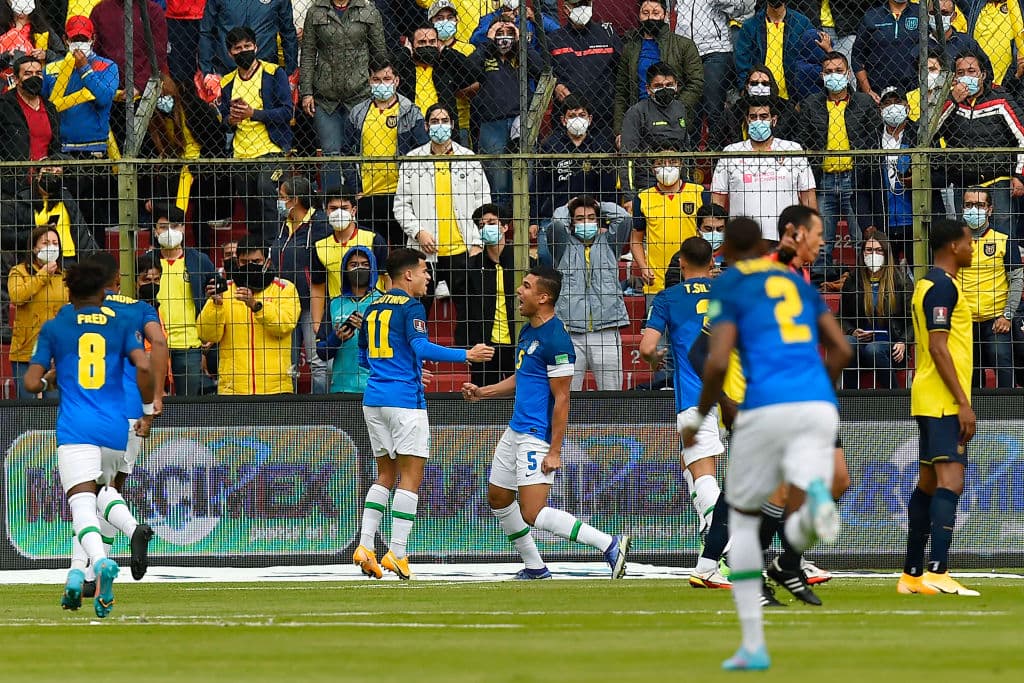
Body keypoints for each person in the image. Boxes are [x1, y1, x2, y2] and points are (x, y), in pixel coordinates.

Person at [682, 213, 851, 670]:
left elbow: (715, 359)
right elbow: (841, 348)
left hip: (780, 400)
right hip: (793, 400)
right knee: (775, 492)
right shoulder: (778, 282)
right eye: (817, 235)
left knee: (818, 485)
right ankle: (763, 566)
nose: (820, 243)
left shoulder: (750, 284)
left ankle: (779, 569)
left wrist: (701, 413)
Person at [462, 265, 631, 580]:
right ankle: (535, 567)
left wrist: (555, 451)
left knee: (532, 512)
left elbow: (563, 398)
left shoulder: (557, 341)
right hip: (516, 429)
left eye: (526, 286)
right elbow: (522, 377)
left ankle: (609, 544)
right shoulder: (528, 331)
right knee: (498, 497)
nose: (519, 291)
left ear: (543, 297)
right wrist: (484, 392)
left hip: (536, 434)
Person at [23, 258, 156, 618]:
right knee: (105, 491)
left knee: (82, 503)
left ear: (69, 293)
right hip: (115, 426)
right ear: (104, 291)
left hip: (76, 426)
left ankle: (98, 563)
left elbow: (32, 383)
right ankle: (118, 540)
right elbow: (145, 365)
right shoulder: (122, 324)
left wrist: (50, 378)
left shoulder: (57, 326)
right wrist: (147, 410)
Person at [352, 248, 494, 580]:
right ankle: (397, 553)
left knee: (384, 475)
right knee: (411, 476)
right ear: (408, 275)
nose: (429, 277)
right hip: (404, 401)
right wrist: (466, 355)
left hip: (374, 399)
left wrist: (407, 368)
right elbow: (420, 347)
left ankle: (365, 546)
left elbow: (363, 357)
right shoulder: (412, 306)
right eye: (424, 271)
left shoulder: (372, 306)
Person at [640, 235, 730, 590]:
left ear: (680, 263)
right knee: (690, 466)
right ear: (712, 262)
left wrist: (653, 360)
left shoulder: (668, 298)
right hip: (736, 395)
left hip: (696, 399)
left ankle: (729, 546)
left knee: (703, 474)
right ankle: (711, 540)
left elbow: (647, 347)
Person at [897, 218, 979, 597]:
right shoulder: (942, 286)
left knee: (929, 483)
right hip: (943, 399)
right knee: (952, 481)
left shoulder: (928, 284)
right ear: (952, 247)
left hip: (928, 395)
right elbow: (937, 346)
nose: (972, 247)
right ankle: (938, 571)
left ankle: (911, 575)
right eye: (968, 241)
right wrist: (963, 401)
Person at [79, 252, 166, 588]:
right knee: (112, 489)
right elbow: (159, 343)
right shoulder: (140, 309)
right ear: (118, 280)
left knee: (88, 492)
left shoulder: (80, 310)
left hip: (95, 410)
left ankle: (129, 533)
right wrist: (156, 398)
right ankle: (95, 574)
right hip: (132, 409)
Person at [393, 103, 490, 347]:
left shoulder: (468, 158)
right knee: (417, 310)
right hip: (424, 253)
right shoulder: (412, 160)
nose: (440, 126)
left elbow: (484, 203)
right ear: (426, 127)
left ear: (453, 125)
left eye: (444, 120)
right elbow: (401, 206)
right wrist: (419, 232)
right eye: (434, 121)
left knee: (470, 313)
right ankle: (414, 355)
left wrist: (477, 242)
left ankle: (470, 359)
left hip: (462, 250)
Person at [795, 51, 879, 279]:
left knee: (861, 238)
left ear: (849, 73)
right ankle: (820, 283)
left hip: (855, 179)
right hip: (824, 179)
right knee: (822, 241)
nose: (834, 75)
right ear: (822, 76)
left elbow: (873, 140)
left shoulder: (864, 103)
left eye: (839, 71)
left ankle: (864, 282)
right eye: (829, 72)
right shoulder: (811, 104)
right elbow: (803, 140)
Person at [300, 0, 388, 193]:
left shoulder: (368, 10)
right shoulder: (315, 11)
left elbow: (379, 53)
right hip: (325, 97)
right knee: (330, 152)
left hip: (360, 94)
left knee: (358, 151)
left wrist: (380, 87)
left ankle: (359, 198)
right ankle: (332, 203)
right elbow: (308, 54)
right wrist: (306, 92)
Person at [936, 49, 1024, 238]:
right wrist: (952, 101)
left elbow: (1022, 135)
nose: (966, 77)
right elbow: (929, 133)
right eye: (960, 73)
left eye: (971, 71)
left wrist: (1019, 175)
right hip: (963, 182)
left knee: (1003, 238)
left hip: (997, 181)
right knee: (965, 240)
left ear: (982, 75)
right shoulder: (949, 101)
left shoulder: (1000, 100)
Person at [197, 237, 301, 395]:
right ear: (237, 263)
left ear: (267, 262)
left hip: (275, 388)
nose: (250, 266)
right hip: (233, 388)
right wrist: (215, 306)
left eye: (256, 261)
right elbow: (207, 335)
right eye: (245, 262)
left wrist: (256, 306)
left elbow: (284, 325)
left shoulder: (285, 288)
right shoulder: (225, 290)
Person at [219, 26, 294, 245]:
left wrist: (254, 114)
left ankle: (273, 244)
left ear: (256, 47)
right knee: (249, 201)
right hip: (241, 152)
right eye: (237, 48)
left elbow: (287, 112)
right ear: (230, 53)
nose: (243, 51)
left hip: (273, 149)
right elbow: (223, 120)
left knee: (265, 188)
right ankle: (257, 246)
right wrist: (231, 120)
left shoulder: (274, 72)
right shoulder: (227, 82)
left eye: (247, 46)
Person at [549, 195, 631, 391]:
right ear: (571, 222)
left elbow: (624, 218)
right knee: (567, 393)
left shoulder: (610, 242)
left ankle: (610, 417)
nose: (586, 222)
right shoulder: (562, 245)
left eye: (591, 217)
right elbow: (557, 224)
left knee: (611, 393)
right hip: (570, 330)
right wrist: (568, 205)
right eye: (579, 218)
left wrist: (599, 205)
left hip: (607, 328)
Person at [711, 97, 817, 243]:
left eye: (763, 116)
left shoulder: (793, 149)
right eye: (753, 117)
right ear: (747, 120)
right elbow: (718, 200)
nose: (758, 121)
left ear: (774, 120)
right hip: (743, 242)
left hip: (784, 240)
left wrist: (811, 234)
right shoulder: (731, 152)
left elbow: (808, 197)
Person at [349, 58, 429, 249]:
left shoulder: (410, 112)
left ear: (396, 81)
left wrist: (412, 187)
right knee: (372, 252)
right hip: (367, 195)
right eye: (376, 80)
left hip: (400, 195)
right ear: (369, 81)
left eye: (386, 79)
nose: (381, 84)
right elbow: (346, 152)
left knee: (403, 252)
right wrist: (355, 187)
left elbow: (423, 151)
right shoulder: (358, 113)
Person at [532, 94, 618, 264]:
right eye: (572, 116)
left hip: (589, 219)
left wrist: (604, 223)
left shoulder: (600, 147)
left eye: (581, 115)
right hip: (553, 217)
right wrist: (533, 221)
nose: (577, 119)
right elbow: (537, 187)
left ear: (590, 119)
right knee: (546, 260)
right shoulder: (550, 146)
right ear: (563, 120)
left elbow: (608, 190)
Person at [144, 202, 216, 396]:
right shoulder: (146, 262)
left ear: (183, 228)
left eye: (175, 226)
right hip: (154, 343)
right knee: (153, 401)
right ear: (155, 231)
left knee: (188, 404)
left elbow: (216, 295)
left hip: (189, 344)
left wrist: (209, 332)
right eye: (163, 227)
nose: (169, 231)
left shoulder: (199, 260)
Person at [468, 15, 542, 204]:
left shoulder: (521, 55)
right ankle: (499, 216)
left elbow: (541, 70)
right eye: (499, 32)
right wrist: (488, 41)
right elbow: (466, 71)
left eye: (509, 32)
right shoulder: (484, 55)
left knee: (524, 177)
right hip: (492, 123)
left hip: (521, 122)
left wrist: (520, 42)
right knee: (497, 180)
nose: (504, 37)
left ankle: (524, 216)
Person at [270, 175, 331, 394]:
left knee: (318, 362)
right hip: (285, 304)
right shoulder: (283, 225)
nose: (278, 201)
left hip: (310, 303)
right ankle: (289, 406)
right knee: (288, 365)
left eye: (282, 197)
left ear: (294, 199)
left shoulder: (320, 224)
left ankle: (321, 408)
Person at [957, 186, 1022, 388]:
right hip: (963, 321)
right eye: (968, 205)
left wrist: (1007, 315)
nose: (973, 210)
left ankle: (1008, 405)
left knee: (1002, 359)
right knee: (968, 372)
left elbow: (1017, 279)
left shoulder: (1003, 239)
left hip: (996, 320)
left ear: (990, 209)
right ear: (962, 209)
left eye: (979, 205)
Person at [613, 0, 703, 135]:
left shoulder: (684, 45)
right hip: (640, 118)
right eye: (645, 13)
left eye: (656, 13)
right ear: (639, 16)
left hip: (674, 119)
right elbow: (621, 91)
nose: (650, 17)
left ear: (665, 15)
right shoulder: (630, 48)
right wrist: (619, 131)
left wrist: (675, 108)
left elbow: (695, 83)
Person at [839, 231, 912, 389]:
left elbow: (912, 320)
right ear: (862, 252)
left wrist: (903, 342)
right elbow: (841, 316)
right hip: (860, 345)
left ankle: (894, 396)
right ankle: (849, 397)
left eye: (879, 250)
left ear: (886, 253)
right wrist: (852, 331)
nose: (874, 254)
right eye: (869, 250)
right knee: (847, 342)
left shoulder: (901, 280)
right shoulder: (853, 280)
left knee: (874, 349)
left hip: (891, 347)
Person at [674, 0, 751, 150]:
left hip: (716, 48)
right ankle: (690, 156)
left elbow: (740, 9)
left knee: (713, 107)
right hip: (686, 50)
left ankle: (717, 154)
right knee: (690, 109)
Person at [630, 149, 705, 296]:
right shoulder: (643, 198)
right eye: (660, 163)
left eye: (672, 162)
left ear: (681, 165)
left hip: (694, 277)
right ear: (653, 168)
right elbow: (636, 239)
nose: (667, 166)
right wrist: (643, 267)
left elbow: (710, 233)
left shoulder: (699, 193)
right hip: (656, 280)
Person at [7, 226, 68, 398]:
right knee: (26, 403)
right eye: (46, 243)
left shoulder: (64, 276)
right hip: (25, 348)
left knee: (53, 403)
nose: (51, 247)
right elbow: (17, 296)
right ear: (34, 248)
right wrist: (42, 275)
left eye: (55, 243)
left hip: (56, 350)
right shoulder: (19, 271)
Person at [548, 0, 623, 135]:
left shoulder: (607, 34)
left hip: (603, 119)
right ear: (565, 9)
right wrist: (555, 85)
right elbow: (543, 70)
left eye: (586, 4)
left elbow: (622, 70)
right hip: (566, 119)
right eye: (577, 5)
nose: (582, 8)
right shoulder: (555, 39)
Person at [618, 62, 692, 197]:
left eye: (669, 85)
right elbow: (627, 157)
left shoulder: (681, 109)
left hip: (678, 185)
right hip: (647, 185)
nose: (665, 89)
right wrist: (630, 197)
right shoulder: (637, 112)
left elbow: (686, 151)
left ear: (676, 85)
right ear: (648, 89)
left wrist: (686, 184)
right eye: (658, 86)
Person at [317, 246, 382, 393]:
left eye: (365, 265)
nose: (359, 269)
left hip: (375, 388)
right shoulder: (334, 304)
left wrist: (368, 331)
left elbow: (395, 345)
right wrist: (336, 339)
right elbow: (321, 352)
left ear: (373, 268)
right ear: (345, 270)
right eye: (354, 265)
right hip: (342, 387)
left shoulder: (384, 302)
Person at [394, 24, 475, 142]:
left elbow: (473, 73)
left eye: (432, 42)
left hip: (443, 128)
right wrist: (406, 52)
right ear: (412, 45)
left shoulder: (445, 66)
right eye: (422, 42)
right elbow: (386, 70)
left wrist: (445, 50)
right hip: (411, 129)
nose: (427, 46)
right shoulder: (404, 70)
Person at [468, 202, 518, 387]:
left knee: (521, 395)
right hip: (485, 345)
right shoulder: (472, 266)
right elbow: (467, 309)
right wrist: (468, 346)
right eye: (481, 225)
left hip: (516, 342)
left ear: (505, 227)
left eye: (491, 222)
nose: (486, 228)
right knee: (484, 396)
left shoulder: (522, 261)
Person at [312, 187, 389, 301]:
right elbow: (318, 287)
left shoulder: (373, 239)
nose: (339, 213)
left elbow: (387, 279)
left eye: (344, 208)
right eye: (333, 208)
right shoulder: (320, 246)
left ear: (353, 210)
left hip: (374, 307)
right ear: (326, 211)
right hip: (339, 309)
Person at [0, 55, 60, 193]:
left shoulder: (50, 108)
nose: (34, 77)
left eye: (38, 73)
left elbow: (56, 145)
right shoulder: (4, 106)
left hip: (45, 183)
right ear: (16, 79)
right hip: (12, 186)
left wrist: (54, 164)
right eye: (28, 73)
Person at [734, 0, 816, 101]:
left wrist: (803, 98)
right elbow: (742, 59)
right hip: (759, 94)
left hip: (793, 96)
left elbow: (812, 57)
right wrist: (744, 87)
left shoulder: (802, 23)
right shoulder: (750, 26)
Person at [199, 0, 297, 80]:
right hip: (226, 71)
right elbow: (206, 32)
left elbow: (288, 33)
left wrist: (291, 73)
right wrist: (206, 72)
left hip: (265, 71)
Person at [853, 0, 923, 102]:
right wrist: (868, 91)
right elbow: (857, 57)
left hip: (913, 90)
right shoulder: (871, 16)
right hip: (877, 91)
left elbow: (932, 47)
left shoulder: (921, 12)